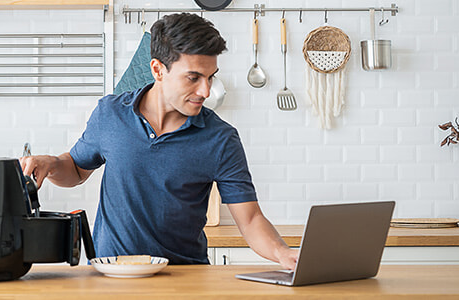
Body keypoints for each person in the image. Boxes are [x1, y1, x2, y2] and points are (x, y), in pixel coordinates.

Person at [20, 13, 299, 268]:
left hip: (185, 278)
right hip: (112, 274)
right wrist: (54, 163)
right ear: (157, 70)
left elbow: (250, 220)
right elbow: (77, 170)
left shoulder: (221, 138)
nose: (205, 90)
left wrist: (282, 253)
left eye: (211, 77)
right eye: (193, 78)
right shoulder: (110, 114)